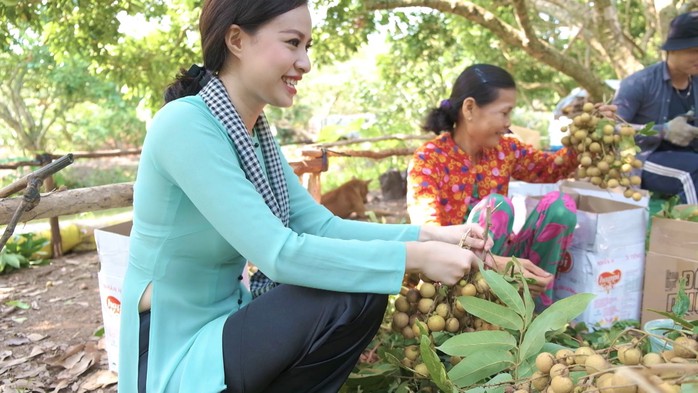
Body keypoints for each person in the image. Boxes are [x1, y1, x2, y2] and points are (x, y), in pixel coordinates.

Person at [119, 1, 493, 392]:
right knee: (354, 296)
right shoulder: (185, 125)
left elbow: (320, 225)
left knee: (359, 292)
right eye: (292, 43)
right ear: (236, 40)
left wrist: (432, 236)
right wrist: (417, 259)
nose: (305, 63)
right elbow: (278, 253)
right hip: (170, 347)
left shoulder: (255, 136)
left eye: (307, 47)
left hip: (227, 321)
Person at [407, 64, 583, 310]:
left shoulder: (506, 150)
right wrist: (488, 261)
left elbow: (552, 168)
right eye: (504, 112)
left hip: (499, 262)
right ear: (469, 108)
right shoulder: (429, 159)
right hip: (450, 274)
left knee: (560, 206)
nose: (508, 122)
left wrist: (587, 132)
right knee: (496, 205)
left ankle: (534, 312)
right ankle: (475, 315)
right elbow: (427, 233)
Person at [613, 11, 698, 204]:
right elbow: (610, 130)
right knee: (694, 171)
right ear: (673, 49)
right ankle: (691, 231)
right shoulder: (639, 83)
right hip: (642, 159)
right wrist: (663, 131)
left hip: (688, 155)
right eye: (694, 50)